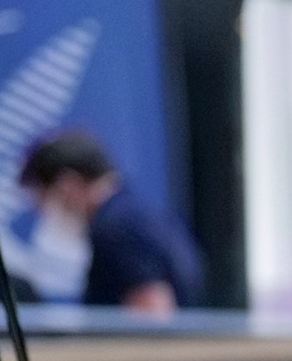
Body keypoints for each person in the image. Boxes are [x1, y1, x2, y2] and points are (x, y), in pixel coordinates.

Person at [18, 130, 206, 312]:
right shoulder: (139, 212)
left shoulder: (115, 228)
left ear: (67, 186)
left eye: (43, 201)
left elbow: (153, 313)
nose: (43, 214)